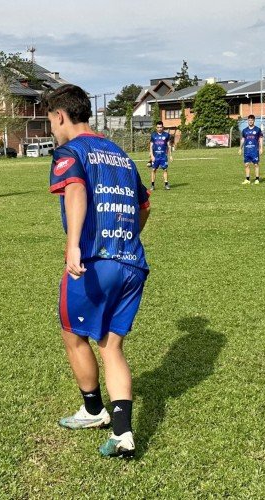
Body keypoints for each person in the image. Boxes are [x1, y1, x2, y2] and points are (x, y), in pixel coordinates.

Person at [43, 84, 152, 458]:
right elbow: (145, 205)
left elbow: (74, 190)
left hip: (95, 262)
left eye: (51, 121)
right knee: (112, 346)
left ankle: (93, 410)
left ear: (60, 115)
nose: (52, 130)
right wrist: (125, 239)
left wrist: (74, 243)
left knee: (73, 334)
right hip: (132, 263)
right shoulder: (121, 154)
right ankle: (123, 434)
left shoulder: (69, 152)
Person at [239, 114, 263, 185]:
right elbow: (243, 139)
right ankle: (247, 179)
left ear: (254, 121)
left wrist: (261, 148)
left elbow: (261, 139)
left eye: (252, 120)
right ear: (247, 121)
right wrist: (240, 148)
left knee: (256, 164)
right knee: (246, 164)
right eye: (249, 120)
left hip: (255, 150)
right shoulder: (244, 130)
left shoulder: (257, 130)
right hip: (247, 150)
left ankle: (257, 179)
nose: (250, 121)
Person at [148, 121, 171, 191]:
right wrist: (152, 156)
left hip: (163, 156)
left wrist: (170, 155)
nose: (159, 128)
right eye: (158, 127)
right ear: (156, 127)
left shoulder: (166, 135)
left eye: (160, 127)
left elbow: (169, 146)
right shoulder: (153, 135)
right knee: (153, 170)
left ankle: (166, 184)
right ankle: (152, 185)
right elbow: (151, 146)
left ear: (163, 127)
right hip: (156, 156)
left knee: (165, 169)